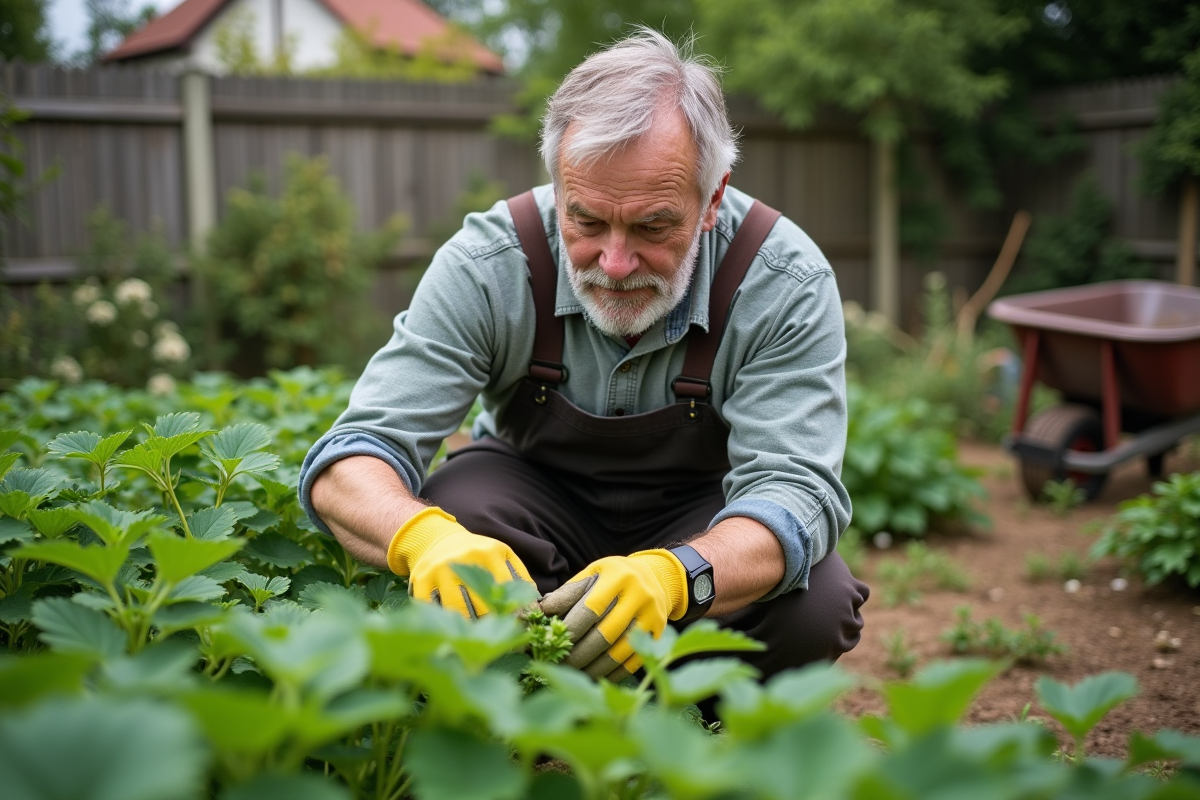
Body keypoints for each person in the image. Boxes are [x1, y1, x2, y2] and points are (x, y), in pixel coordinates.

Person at [302, 28, 868, 684]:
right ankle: (515, 711)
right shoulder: (491, 264)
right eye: (587, 222)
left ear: (712, 199)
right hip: (532, 498)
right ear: (558, 185)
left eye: (653, 226)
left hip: (703, 513)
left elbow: (795, 492)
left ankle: (687, 732)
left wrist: (675, 577)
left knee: (813, 605)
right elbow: (351, 458)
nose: (616, 262)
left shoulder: (780, 277)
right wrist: (424, 540)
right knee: (462, 513)